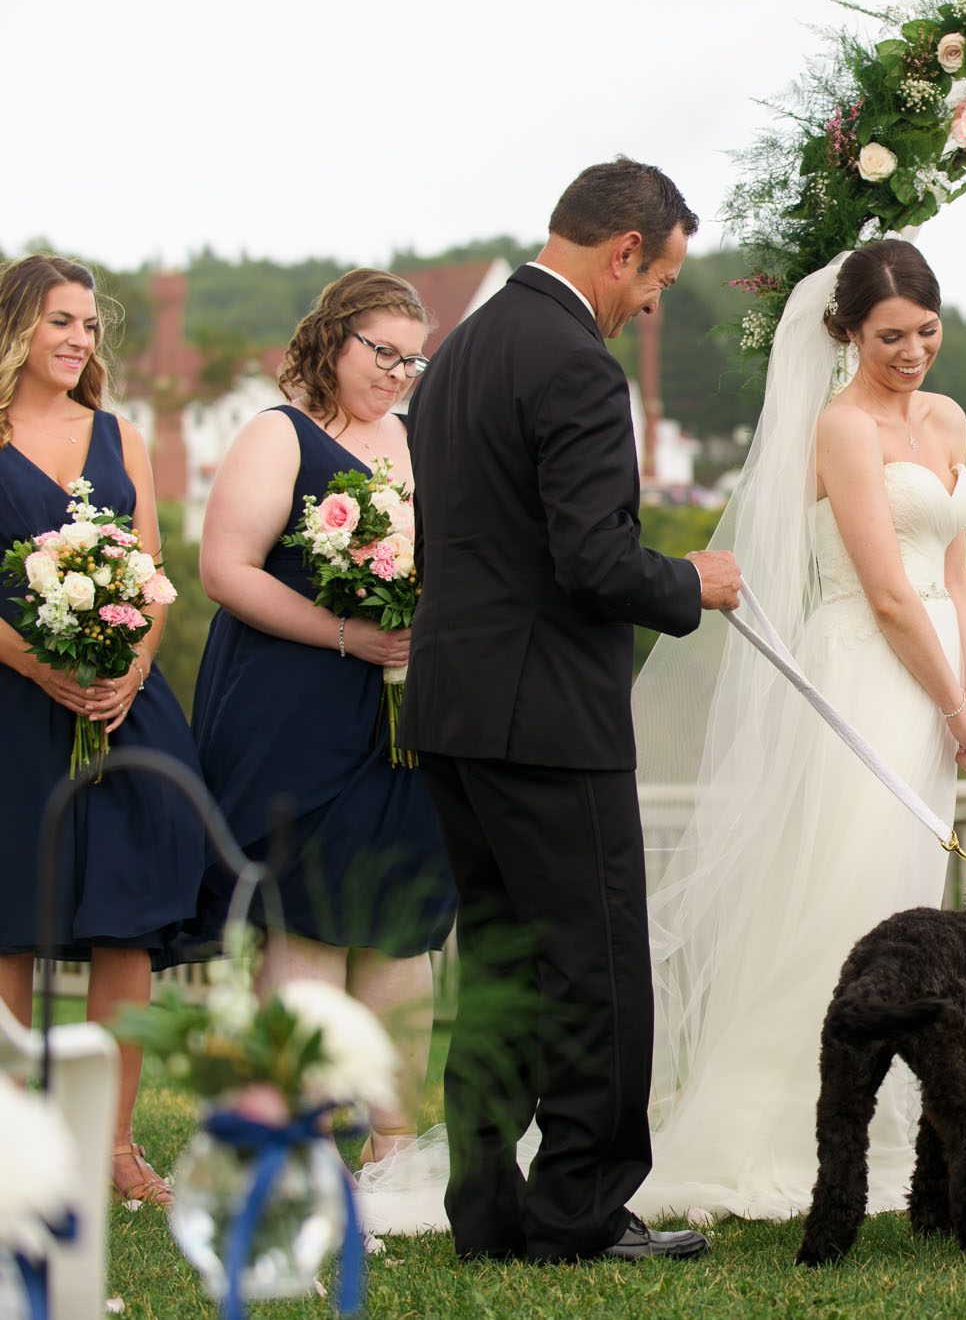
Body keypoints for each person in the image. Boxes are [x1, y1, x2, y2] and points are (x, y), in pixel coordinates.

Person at [388, 158, 739, 1263]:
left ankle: (488, 1210)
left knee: (497, 970)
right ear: (625, 248)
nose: (651, 302)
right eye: (661, 279)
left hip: (450, 708)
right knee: (595, 969)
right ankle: (581, 1209)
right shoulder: (579, 368)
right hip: (545, 719)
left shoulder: (459, 355)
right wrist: (692, 582)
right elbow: (591, 560)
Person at [626, 237, 966, 1221]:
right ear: (846, 333)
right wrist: (949, 698)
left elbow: (952, 576)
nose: (912, 352)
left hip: (937, 674)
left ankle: (887, 1128)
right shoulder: (841, 427)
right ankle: (774, 1130)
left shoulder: (948, 418)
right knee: (841, 900)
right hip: (868, 667)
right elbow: (884, 588)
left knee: (906, 899)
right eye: (890, 337)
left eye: (924, 331)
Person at [191, 268, 455, 1161]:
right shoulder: (280, 433)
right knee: (302, 912)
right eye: (382, 352)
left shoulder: (424, 437)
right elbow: (227, 570)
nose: (397, 373)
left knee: (399, 915)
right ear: (333, 336)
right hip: (291, 704)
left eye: (413, 361)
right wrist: (347, 634)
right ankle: (297, 1141)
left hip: (403, 718)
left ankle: (393, 1142)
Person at [0, 253, 206, 1207]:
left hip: (124, 710)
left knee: (127, 915)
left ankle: (113, 1151)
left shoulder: (121, 435)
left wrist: (127, 667)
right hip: (12, 700)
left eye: (89, 324)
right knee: (9, 922)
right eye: (60, 321)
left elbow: (156, 573)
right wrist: (39, 663)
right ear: (16, 329)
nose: (80, 339)